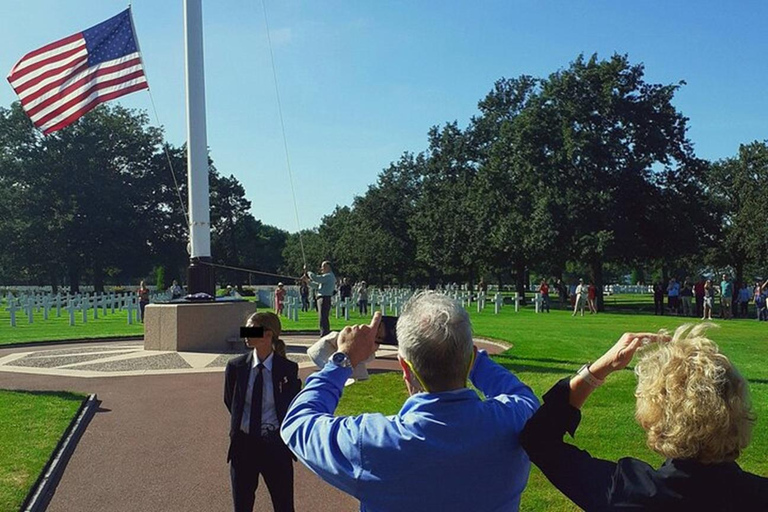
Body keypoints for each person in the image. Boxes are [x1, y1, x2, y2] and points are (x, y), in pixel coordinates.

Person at [280, 293, 539, 511]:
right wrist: (470, 357)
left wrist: (344, 359)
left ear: (404, 366)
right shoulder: (514, 421)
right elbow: (523, 395)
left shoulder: (372, 442)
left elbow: (298, 422)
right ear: (470, 359)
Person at [520, 324, 768, 510]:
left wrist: (600, 368)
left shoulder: (629, 492)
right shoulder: (758, 495)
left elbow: (539, 439)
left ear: (654, 412)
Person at [224, 312, 301, 512]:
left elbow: (291, 405)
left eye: (252, 330)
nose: (246, 335)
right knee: (242, 506)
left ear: (268, 334)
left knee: (284, 505)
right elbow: (230, 401)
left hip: (275, 447)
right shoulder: (236, 367)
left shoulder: (288, 369)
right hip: (244, 445)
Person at [305, 261, 336, 336]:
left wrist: (308, 272)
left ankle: (324, 334)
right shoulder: (327, 277)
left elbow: (316, 278)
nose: (321, 268)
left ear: (328, 267)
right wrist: (307, 281)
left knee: (323, 317)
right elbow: (316, 286)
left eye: (323, 266)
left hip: (324, 298)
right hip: (322, 298)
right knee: (322, 317)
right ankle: (324, 333)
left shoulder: (328, 276)